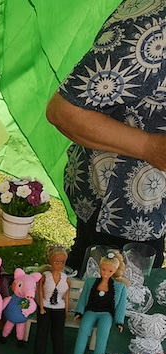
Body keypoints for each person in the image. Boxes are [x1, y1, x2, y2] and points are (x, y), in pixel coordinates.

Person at [46, 1, 166, 273]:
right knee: (109, 291)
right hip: (120, 209)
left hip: (150, 202)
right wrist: (149, 147)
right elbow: (64, 112)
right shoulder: (154, 28)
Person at [72, 249, 128, 354]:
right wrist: (79, 312)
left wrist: (119, 321)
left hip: (106, 314)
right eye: (103, 269)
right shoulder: (90, 282)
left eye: (110, 271)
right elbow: (83, 298)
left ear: (115, 271)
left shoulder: (120, 287)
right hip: (91, 311)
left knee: (103, 334)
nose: (106, 273)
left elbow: (121, 306)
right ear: (100, 268)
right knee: (83, 330)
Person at [33, 244, 71, 354]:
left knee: (58, 335)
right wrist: (41, 307)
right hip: (45, 307)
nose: (59, 265)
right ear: (50, 261)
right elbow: (40, 292)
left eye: (62, 262)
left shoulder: (66, 279)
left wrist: (66, 312)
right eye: (56, 262)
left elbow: (66, 296)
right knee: (42, 333)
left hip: (59, 308)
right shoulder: (46, 276)